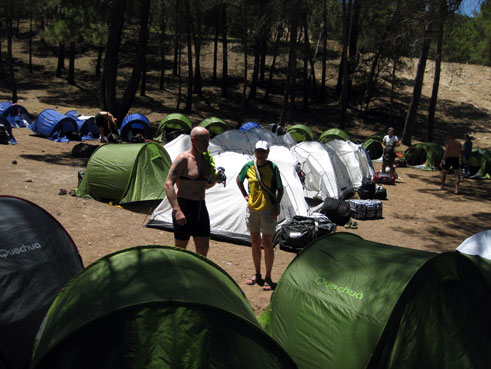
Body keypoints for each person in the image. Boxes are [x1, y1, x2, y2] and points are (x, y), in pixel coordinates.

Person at [236, 140, 284, 291]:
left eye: (263, 151)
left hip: (268, 209)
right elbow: (239, 179)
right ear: (255, 152)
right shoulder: (248, 166)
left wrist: (276, 204)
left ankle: (268, 277)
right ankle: (257, 273)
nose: (261, 154)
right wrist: (245, 195)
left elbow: (280, 188)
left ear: (268, 153)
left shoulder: (273, 167)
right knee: (255, 242)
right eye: (258, 151)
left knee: (268, 244)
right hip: (252, 209)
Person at [164, 126, 215, 257]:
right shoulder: (183, 159)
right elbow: (168, 184)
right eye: (203, 141)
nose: (206, 144)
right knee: (181, 249)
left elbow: (204, 186)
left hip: (200, 206)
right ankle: (177, 274)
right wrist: (177, 210)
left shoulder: (205, 160)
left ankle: (197, 275)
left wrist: (215, 180)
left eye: (208, 141)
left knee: (203, 247)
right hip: (184, 206)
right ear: (193, 140)